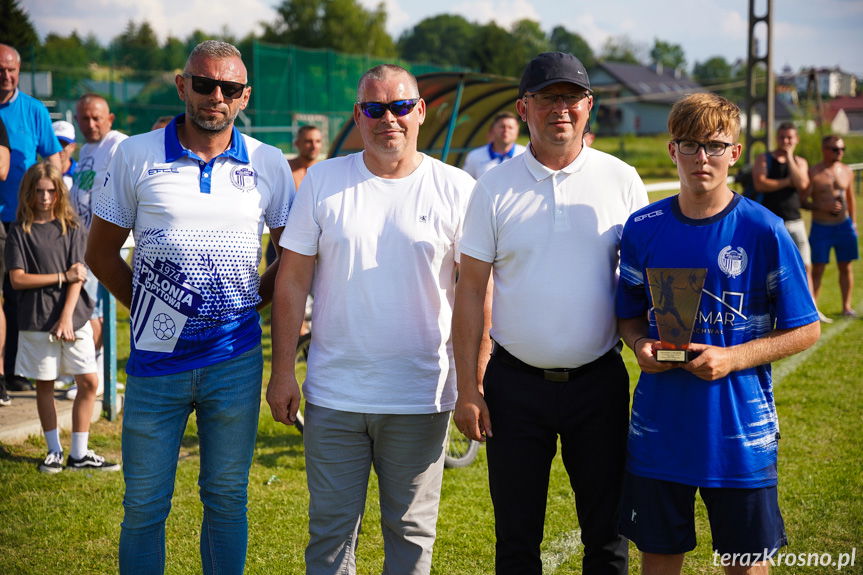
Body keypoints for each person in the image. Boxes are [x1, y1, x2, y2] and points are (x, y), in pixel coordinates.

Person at [86, 40, 293, 574]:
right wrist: (152, 311)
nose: (214, 97)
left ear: (244, 97)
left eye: (228, 88)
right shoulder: (135, 153)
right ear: (183, 85)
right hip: (156, 366)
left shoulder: (269, 163)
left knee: (226, 502)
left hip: (235, 362)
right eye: (204, 84)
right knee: (144, 508)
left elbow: (292, 258)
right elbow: (100, 253)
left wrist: (252, 305)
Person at [267, 64, 475, 575]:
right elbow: (291, 281)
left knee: (410, 537)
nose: (390, 119)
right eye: (375, 108)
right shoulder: (324, 180)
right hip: (334, 396)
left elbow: (477, 293)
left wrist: (473, 382)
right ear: (358, 116)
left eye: (401, 106)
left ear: (421, 111)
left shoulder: (456, 188)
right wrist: (282, 370)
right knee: (331, 538)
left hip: (420, 396)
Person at [453, 52, 648, 575]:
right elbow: (470, 291)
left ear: (590, 106)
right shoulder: (493, 186)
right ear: (524, 107)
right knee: (516, 542)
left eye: (571, 98)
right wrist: (468, 389)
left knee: (607, 538)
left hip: (599, 384)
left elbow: (644, 281)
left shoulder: (622, 180)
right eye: (547, 98)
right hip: (515, 388)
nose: (560, 109)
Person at [615, 93, 820, 575]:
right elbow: (627, 315)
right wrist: (639, 343)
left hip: (739, 436)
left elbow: (807, 328)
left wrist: (734, 358)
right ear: (672, 151)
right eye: (689, 145)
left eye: (714, 145)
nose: (701, 158)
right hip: (660, 433)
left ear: (735, 152)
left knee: (745, 565)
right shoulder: (642, 228)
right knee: (659, 558)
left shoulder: (764, 230)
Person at [6, 161, 120, 472]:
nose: (45, 197)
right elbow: (17, 279)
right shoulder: (19, 232)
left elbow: (79, 275)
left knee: (88, 381)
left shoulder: (72, 229)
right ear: (29, 193)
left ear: (59, 194)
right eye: (39, 191)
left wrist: (67, 317)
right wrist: (60, 276)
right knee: (45, 383)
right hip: (36, 320)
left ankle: (79, 453)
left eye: (51, 191)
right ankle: (53, 450)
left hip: (75, 318)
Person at [0, 43, 63, 394]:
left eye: (11, 70)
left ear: (19, 71)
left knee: (20, 298)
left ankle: (15, 371)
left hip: (23, 221)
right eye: (0, 70)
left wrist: (52, 209)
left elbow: (53, 157)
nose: (6, 77)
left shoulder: (33, 110)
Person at [65, 93, 128, 400]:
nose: (90, 124)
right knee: (87, 307)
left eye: (96, 118)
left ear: (110, 119)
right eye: (84, 119)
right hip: (81, 241)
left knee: (93, 310)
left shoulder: (117, 143)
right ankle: (90, 374)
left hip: (105, 244)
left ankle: (91, 377)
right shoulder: (87, 149)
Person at [751, 122, 819, 317]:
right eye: (782, 137)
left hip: (795, 221)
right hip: (770, 223)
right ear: (776, 138)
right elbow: (761, 183)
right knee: (770, 268)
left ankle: (811, 307)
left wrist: (789, 157)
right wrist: (787, 181)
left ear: (796, 139)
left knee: (805, 265)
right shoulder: (764, 158)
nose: (786, 141)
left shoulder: (800, 161)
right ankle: (770, 308)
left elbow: (803, 184)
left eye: (790, 137)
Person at [804, 135, 857, 318]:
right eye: (835, 149)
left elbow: (850, 198)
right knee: (817, 268)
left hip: (844, 225)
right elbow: (803, 201)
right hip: (821, 226)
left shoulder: (847, 171)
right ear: (824, 149)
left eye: (842, 149)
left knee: (846, 266)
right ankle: (813, 309)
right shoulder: (814, 172)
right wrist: (822, 207)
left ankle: (846, 307)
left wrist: (854, 223)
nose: (839, 152)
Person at [265, 124, 323, 267]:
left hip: (311, 239)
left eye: (317, 141)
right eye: (308, 141)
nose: (313, 146)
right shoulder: (284, 169)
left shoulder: (324, 173)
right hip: (280, 238)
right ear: (297, 143)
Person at [461, 111, 526, 178]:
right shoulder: (474, 156)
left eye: (510, 127)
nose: (506, 130)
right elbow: (466, 184)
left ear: (517, 132)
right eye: (502, 127)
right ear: (493, 130)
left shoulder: (526, 154)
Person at [52, 120, 77, 190]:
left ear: (73, 146)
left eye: (64, 143)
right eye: (56, 143)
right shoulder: (39, 174)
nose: (59, 148)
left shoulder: (81, 172)